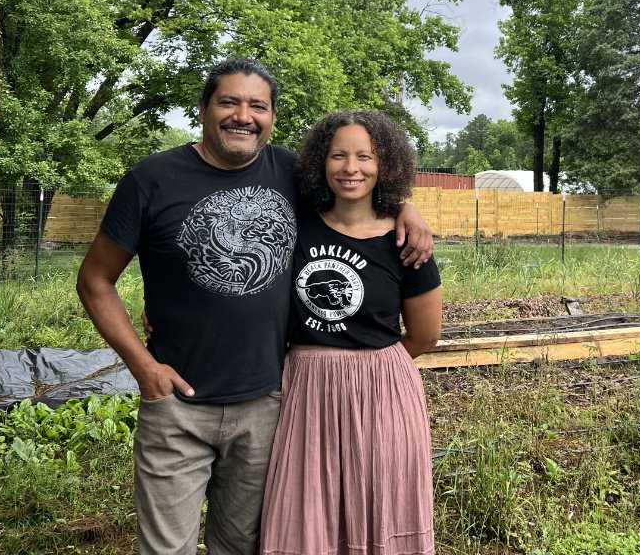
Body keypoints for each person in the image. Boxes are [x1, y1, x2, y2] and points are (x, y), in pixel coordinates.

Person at [76, 57, 434, 555]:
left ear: (271, 118)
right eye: (228, 102)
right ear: (203, 109)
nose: (242, 115)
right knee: (165, 550)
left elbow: (357, 188)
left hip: (268, 403)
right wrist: (144, 367)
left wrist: (406, 207)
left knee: (241, 545)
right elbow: (95, 280)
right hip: (178, 403)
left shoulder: (294, 174)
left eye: (257, 106)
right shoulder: (151, 179)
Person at [259, 110, 442, 555]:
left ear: (386, 165)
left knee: (380, 506)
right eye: (339, 155)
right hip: (306, 389)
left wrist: (368, 368)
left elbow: (424, 336)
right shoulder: (296, 226)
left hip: (382, 392)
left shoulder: (406, 244)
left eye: (365, 156)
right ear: (322, 162)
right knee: (305, 514)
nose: (351, 167)